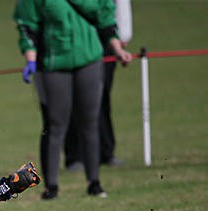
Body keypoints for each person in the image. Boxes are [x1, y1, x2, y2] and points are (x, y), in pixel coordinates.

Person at [15, 0, 132, 200]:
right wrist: (31, 59)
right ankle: (51, 187)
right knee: (55, 124)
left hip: (89, 58)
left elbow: (105, 18)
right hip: (54, 63)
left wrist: (117, 48)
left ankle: (94, 183)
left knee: (90, 122)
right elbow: (28, 26)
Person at [65, 0, 133, 170]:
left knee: (101, 97)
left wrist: (123, 34)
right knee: (73, 99)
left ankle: (106, 152)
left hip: (104, 38)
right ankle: (75, 156)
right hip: (71, 39)